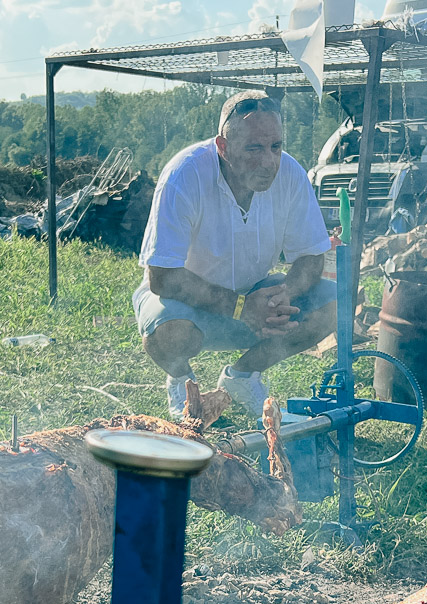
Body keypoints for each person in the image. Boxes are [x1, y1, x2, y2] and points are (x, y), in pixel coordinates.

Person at [134, 90, 337, 418]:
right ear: (223, 147)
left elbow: (311, 256)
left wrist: (285, 294)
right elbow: (162, 278)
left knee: (334, 302)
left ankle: (242, 377)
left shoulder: (291, 174)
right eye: (254, 148)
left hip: (256, 297)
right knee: (168, 331)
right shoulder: (184, 174)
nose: (268, 162)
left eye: (275, 147)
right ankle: (182, 382)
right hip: (187, 305)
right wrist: (241, 307)